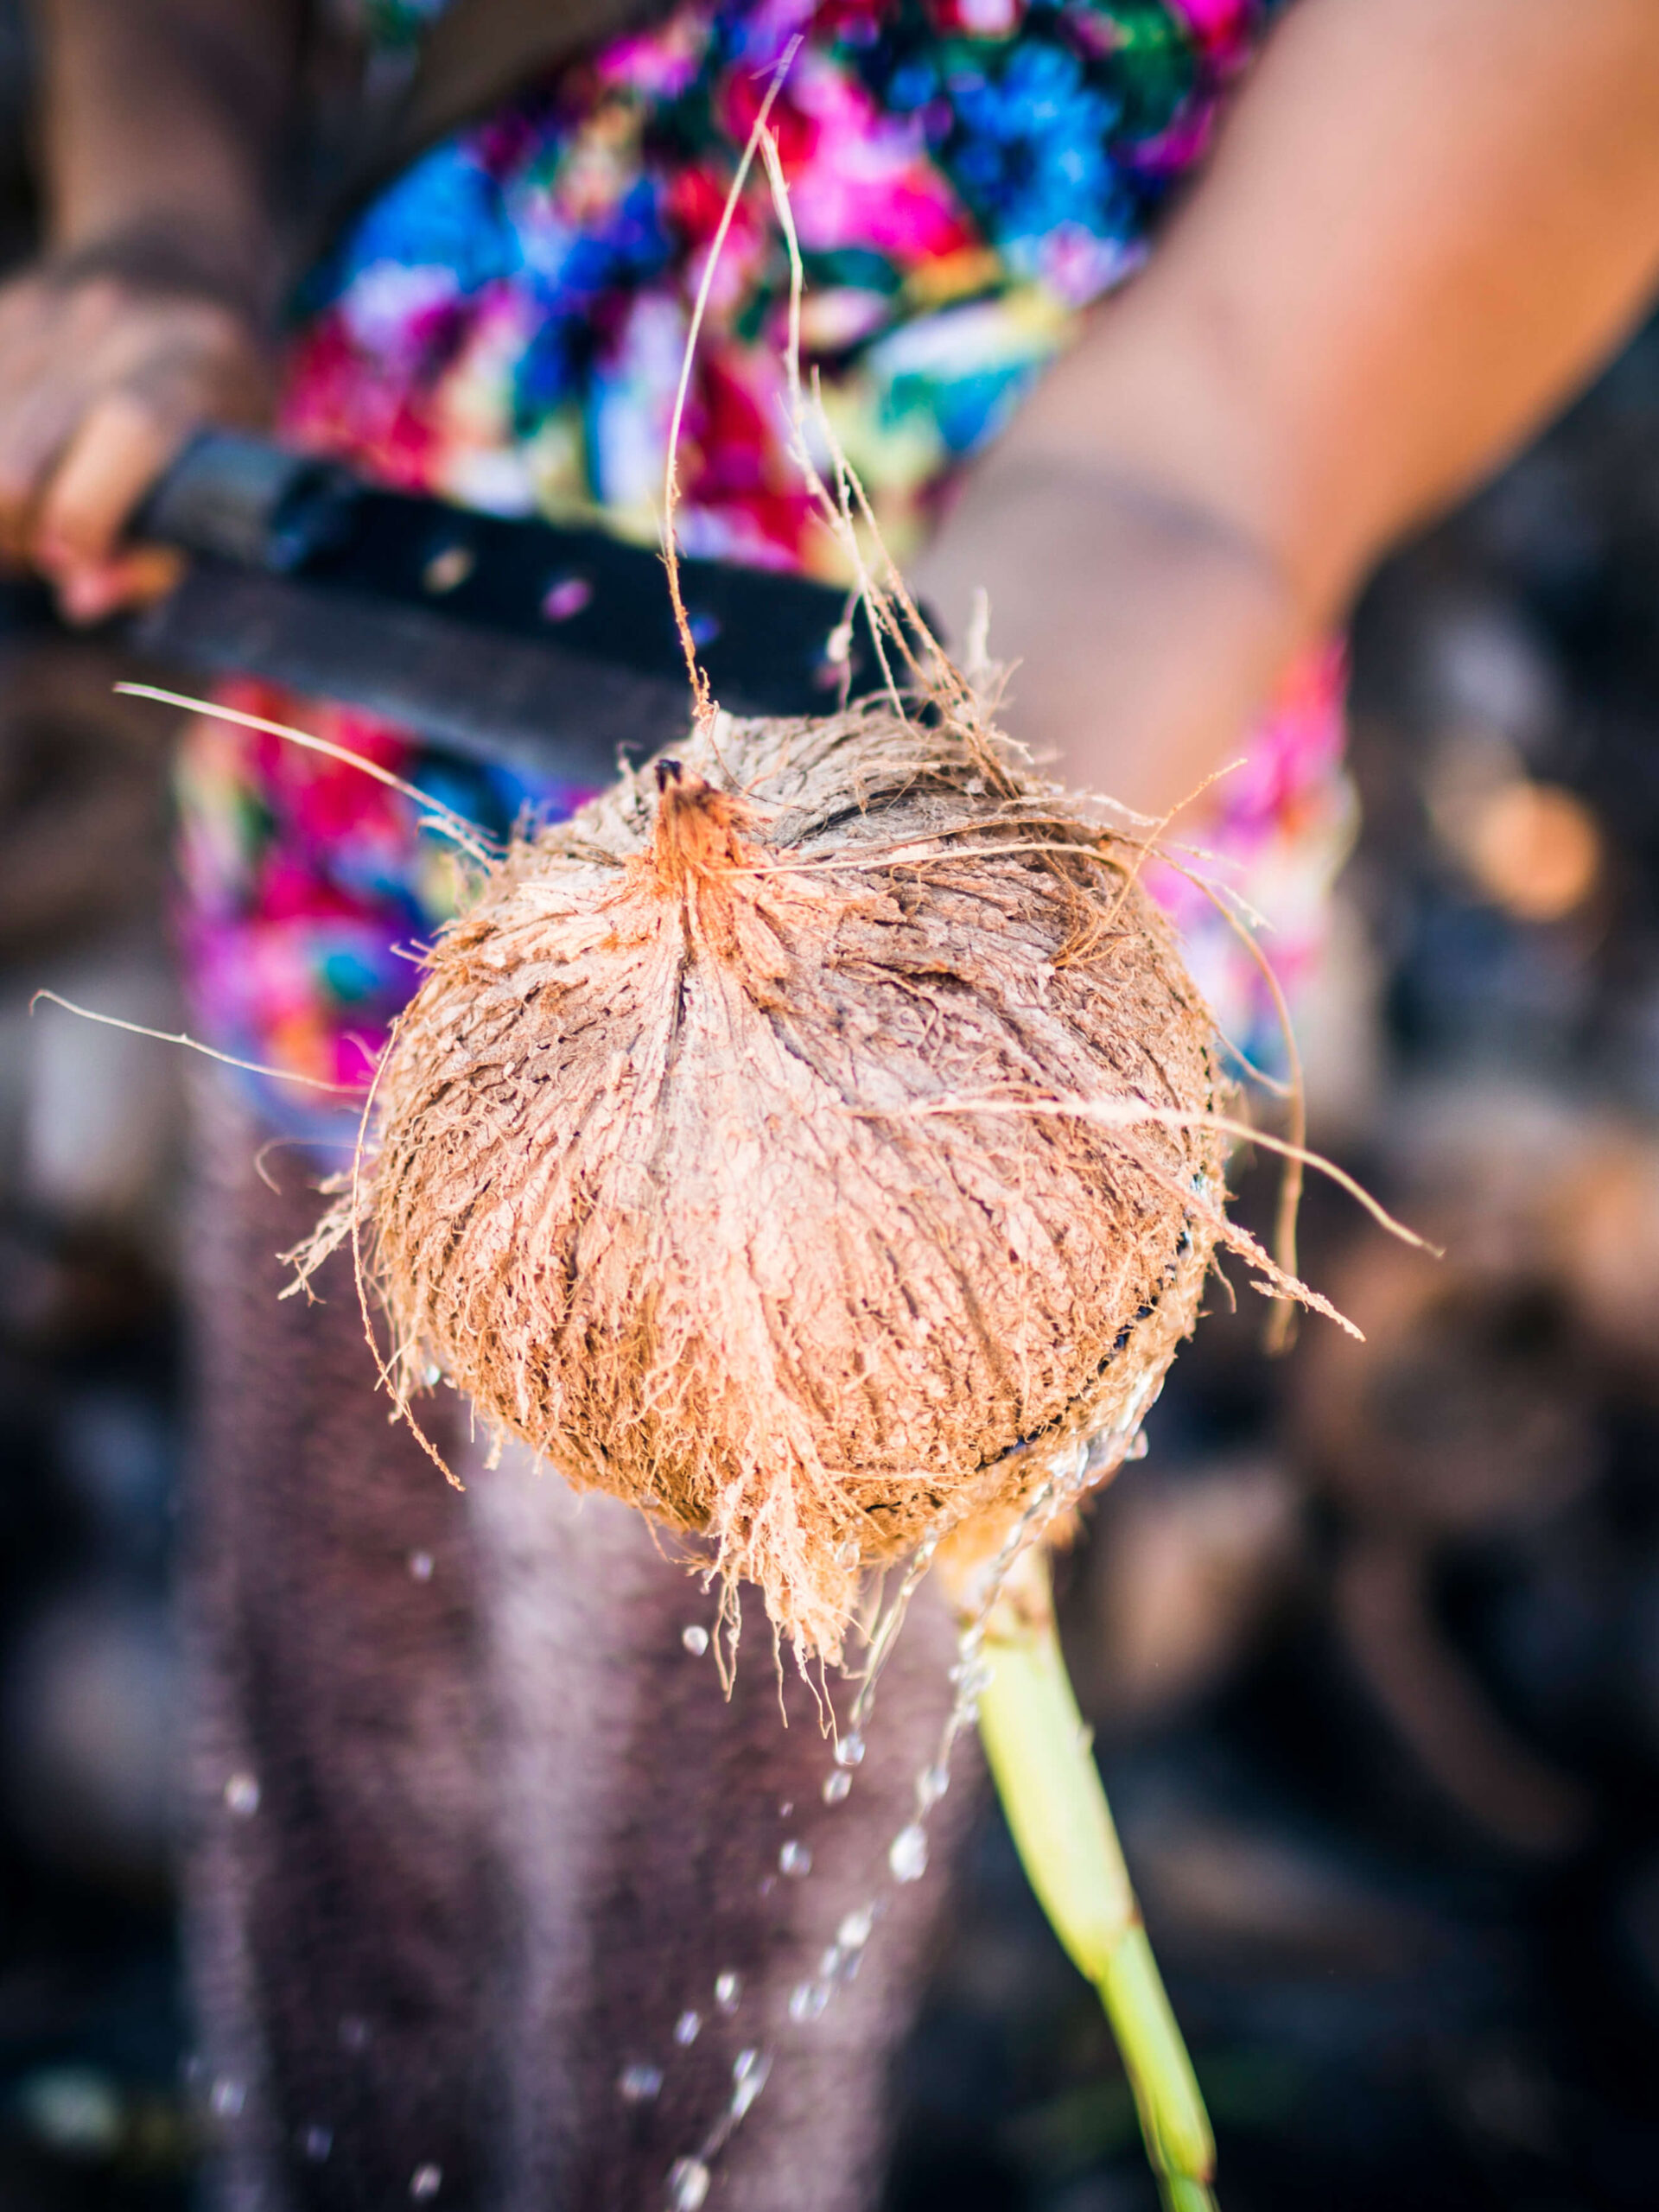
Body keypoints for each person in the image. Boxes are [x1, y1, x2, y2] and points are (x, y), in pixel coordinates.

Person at [3, 2, 1659, 2205]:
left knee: (680, 2025)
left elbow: (1206, 457)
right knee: (335, 1801)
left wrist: (871, 948)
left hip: (903, 1035)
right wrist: (165, 230)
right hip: (343, 803)